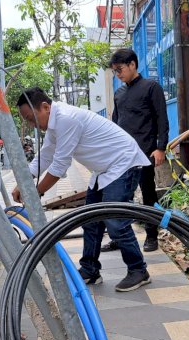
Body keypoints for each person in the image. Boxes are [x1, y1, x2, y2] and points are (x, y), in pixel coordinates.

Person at [11, 87, 152, 292]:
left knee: (115, 222)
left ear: (45, 107)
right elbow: (46, 156)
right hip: (103, 170)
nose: (31, 125)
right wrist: (22, 183)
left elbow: (59, 166)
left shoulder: (67, 119)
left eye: (31, 119)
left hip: (123, 163)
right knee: (90, 222)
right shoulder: (54, 124)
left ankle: (139, 270)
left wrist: (34, 192)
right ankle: (90, 270)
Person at [101, 48, 169, 253]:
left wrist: (160, 148)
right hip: (122, 154)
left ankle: (151, 235)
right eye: (114, 71)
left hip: (145, 151)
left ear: (132, 65)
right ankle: (119, 236)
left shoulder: (151, 87)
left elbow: (162, 120)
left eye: (120, 69)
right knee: (119, 196)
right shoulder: (119, 93)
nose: (118, 74)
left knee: (148, 193)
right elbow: (115, 123)